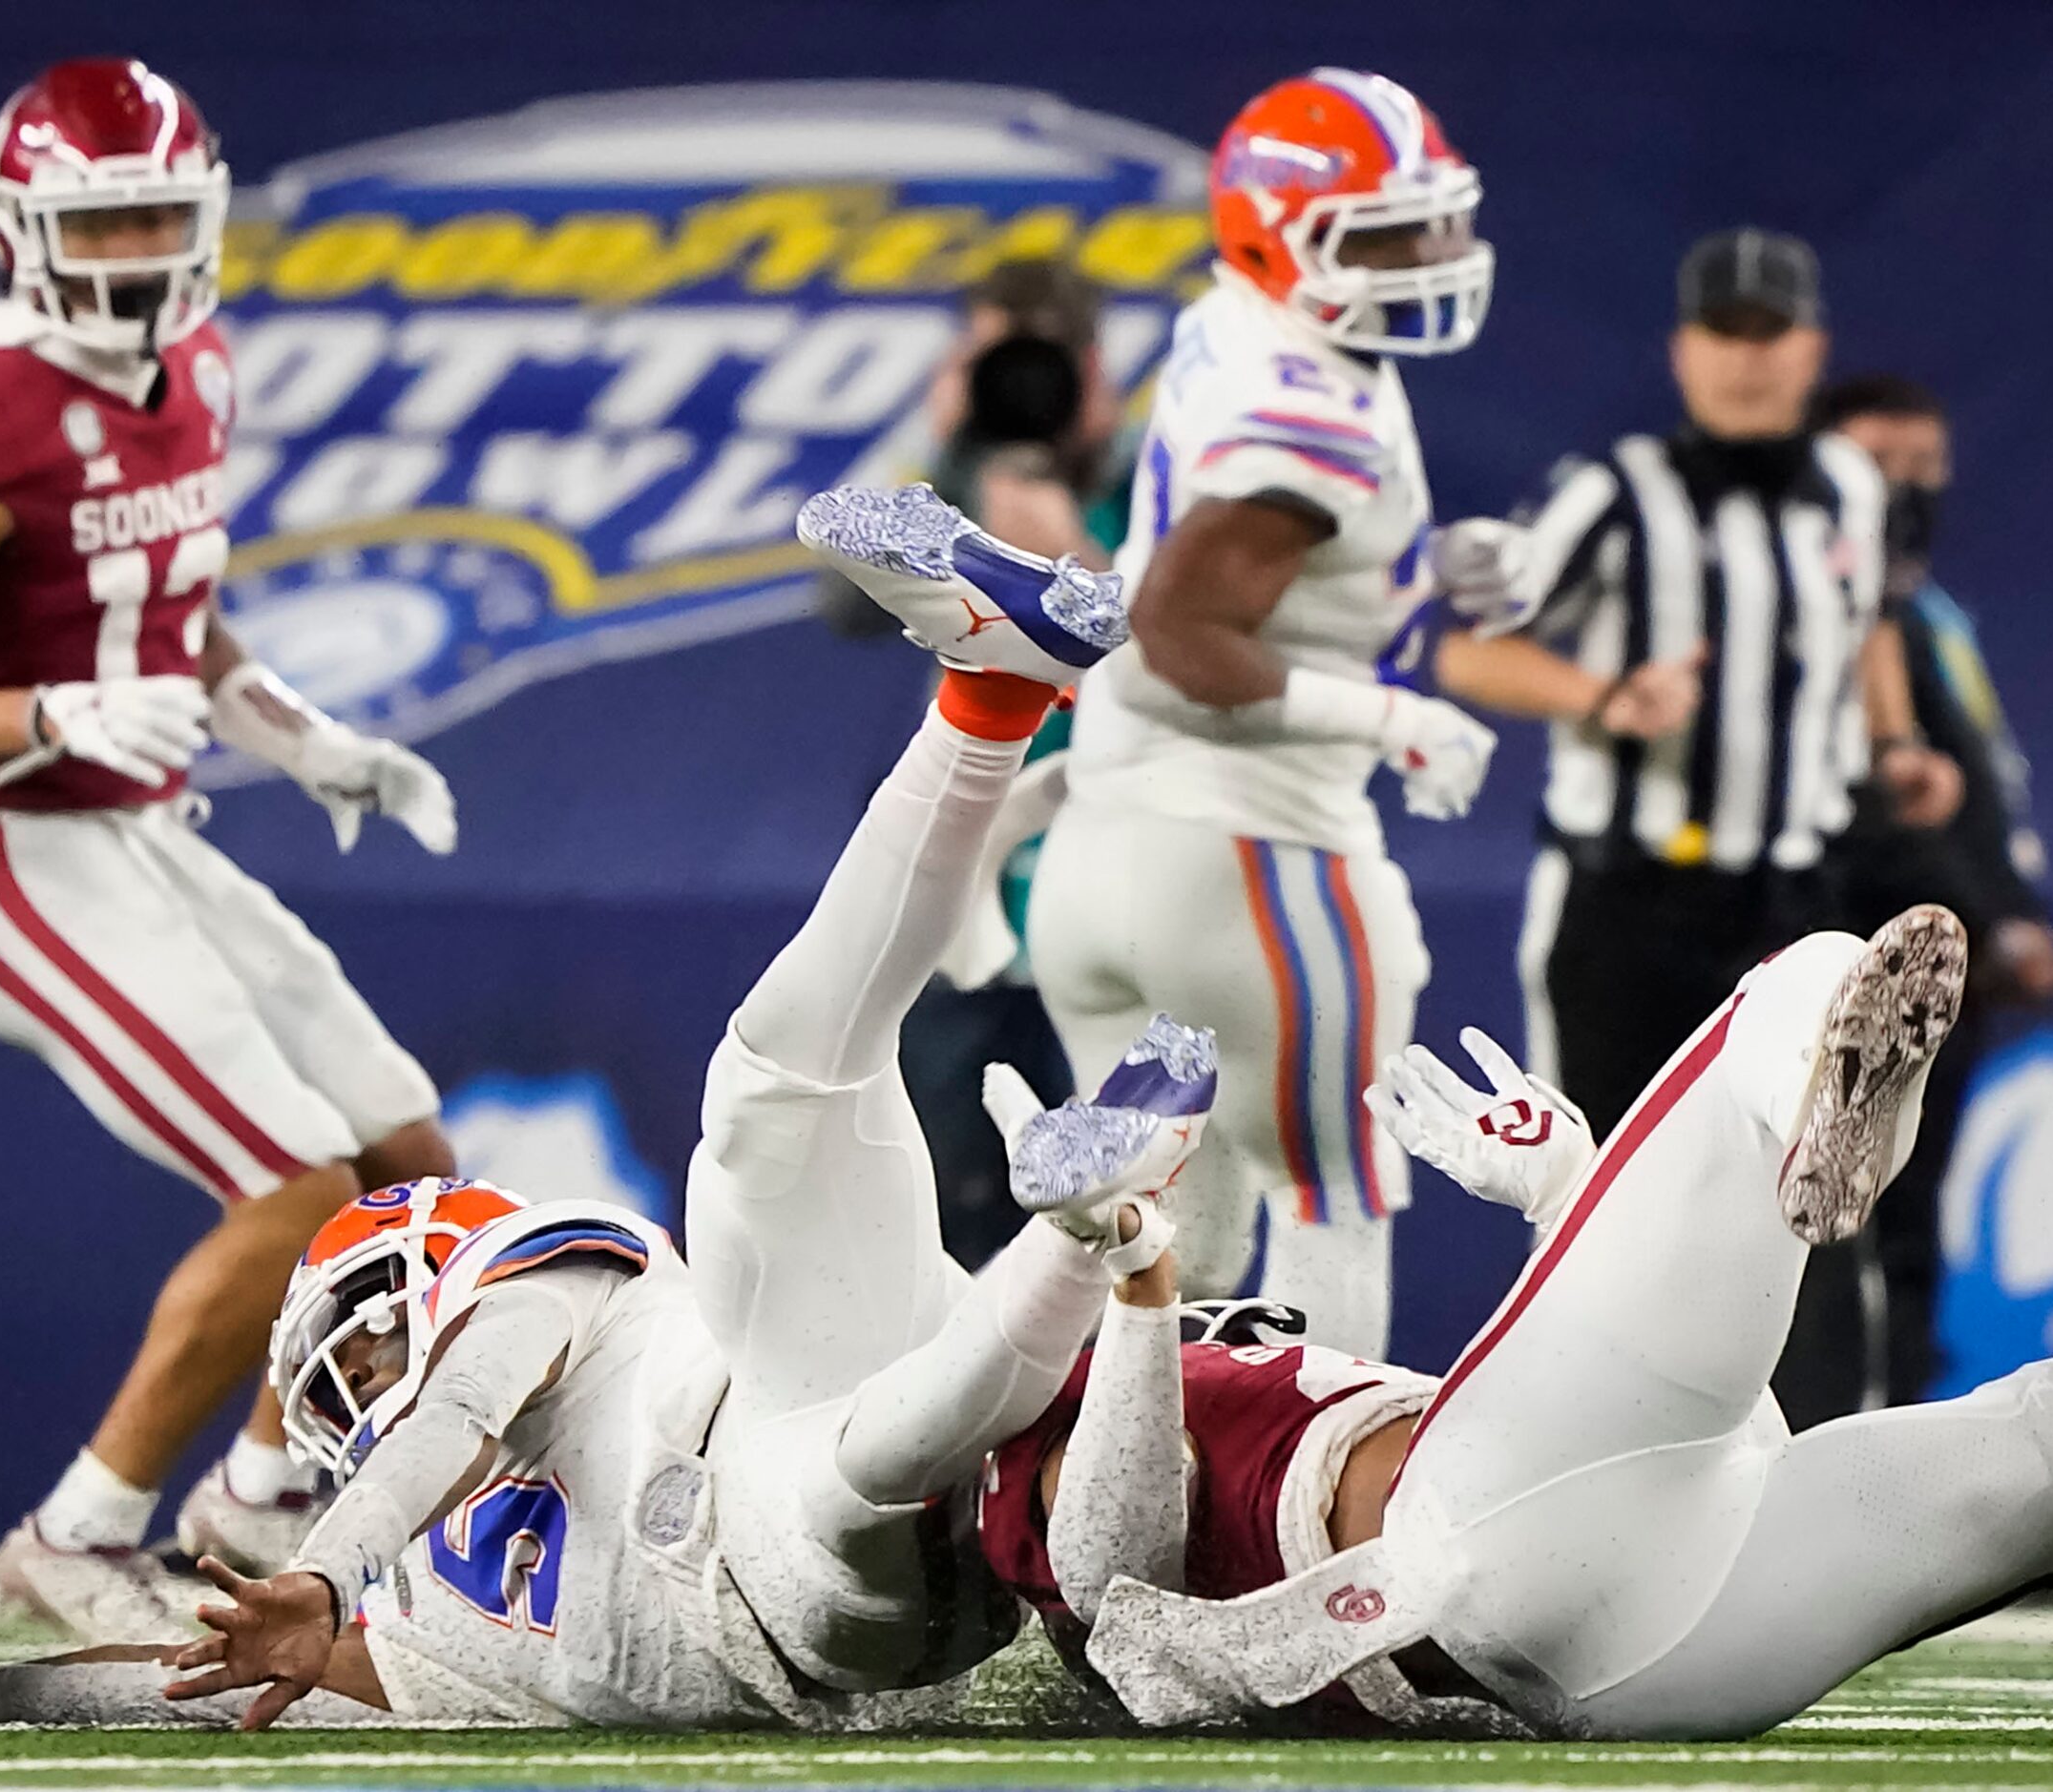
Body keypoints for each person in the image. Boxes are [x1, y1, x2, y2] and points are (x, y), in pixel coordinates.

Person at [0, 486, 1203, 1731]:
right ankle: (1089, 1233)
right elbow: (175, 1677)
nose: (362, 1374)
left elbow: (465, 1391)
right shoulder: (403, 1614)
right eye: (345, 1370)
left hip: (805, 1433)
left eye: (367, 1329)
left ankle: (990, 703)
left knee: (771, 1101)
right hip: (816, 1599)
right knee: (827, 1485)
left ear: (450, 1262)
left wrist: (322, 1568)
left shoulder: (564, 1319)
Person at [0, 57, 460, 1639]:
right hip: (10, 853)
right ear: (20, 229)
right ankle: (74, 1529)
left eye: (155, 220)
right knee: (291, 1186)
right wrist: (44, 713)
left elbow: (165, 610)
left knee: (405, 1157)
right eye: (98, 225)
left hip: (138, 825)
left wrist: (290, 726)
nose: (131, 257)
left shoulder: (197, 370)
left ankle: (258, 1489)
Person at [992, 901, 2053, 1740]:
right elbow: (1108, 1574)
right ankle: (1801, 1115)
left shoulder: (1141, 1369)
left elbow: (1577, 1412)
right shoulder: (1034, 1451)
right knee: (1804, 978)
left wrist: (1555, 1198)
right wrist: (1132, 1274)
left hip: (1647, 1658)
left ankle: (1814, 1131)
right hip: (1494, 1533)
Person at [1026, 68, 1521, 1354]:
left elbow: (1282, 561)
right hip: (1246, 854)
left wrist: (1426, 566)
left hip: (1103, 839)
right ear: (1277, 234)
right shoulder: (1302, 422)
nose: (1424, 258)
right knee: (1333, 1194)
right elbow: (1182, 626)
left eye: (1430, 222)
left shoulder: (1242, 324)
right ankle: (1299, 1521)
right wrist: (1389, 721)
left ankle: (1110, 1517)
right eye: (1379, 236)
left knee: (1155, 1210)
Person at [1437, 227, 1964, 1138]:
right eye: (1725, 332)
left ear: (1812, 348)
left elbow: (1869, 618)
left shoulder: (1849, 485)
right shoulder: (1613, 491)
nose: (1746, 359)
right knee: (1597, 1192)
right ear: (1683, 350)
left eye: (1770, 333)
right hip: (1629, 905)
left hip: (1794, 903)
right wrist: (1602, 699)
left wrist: (1893, 744)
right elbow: (1467, 651)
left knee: (1789, 1203)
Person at [812, 256, 1131, 1269]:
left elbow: (1191, 658)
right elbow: (836, 604)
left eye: (1048, 363)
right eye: (1000, 358)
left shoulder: (1156, 485)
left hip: (1112, 894)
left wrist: (1076, 552)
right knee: (942, 1202)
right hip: (964, 901)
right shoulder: (949, 493)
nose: (1024, 387)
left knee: (1109, 1211)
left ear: (1094, 372)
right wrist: (934, 436)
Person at [1768, 374, 2053, 1421]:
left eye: (1921, 470)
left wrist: (2002, 910)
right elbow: (1881, 807)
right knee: (1836, 1222)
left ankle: (1882, 1448)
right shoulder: (1814, 614)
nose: (1902, 491)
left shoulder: (1925, 611)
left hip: (1954, 959)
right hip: (1868, 948)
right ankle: (1833, 1452)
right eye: (1877, 467)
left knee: (1904, 1222)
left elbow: (1971, 785)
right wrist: (1979, 917)